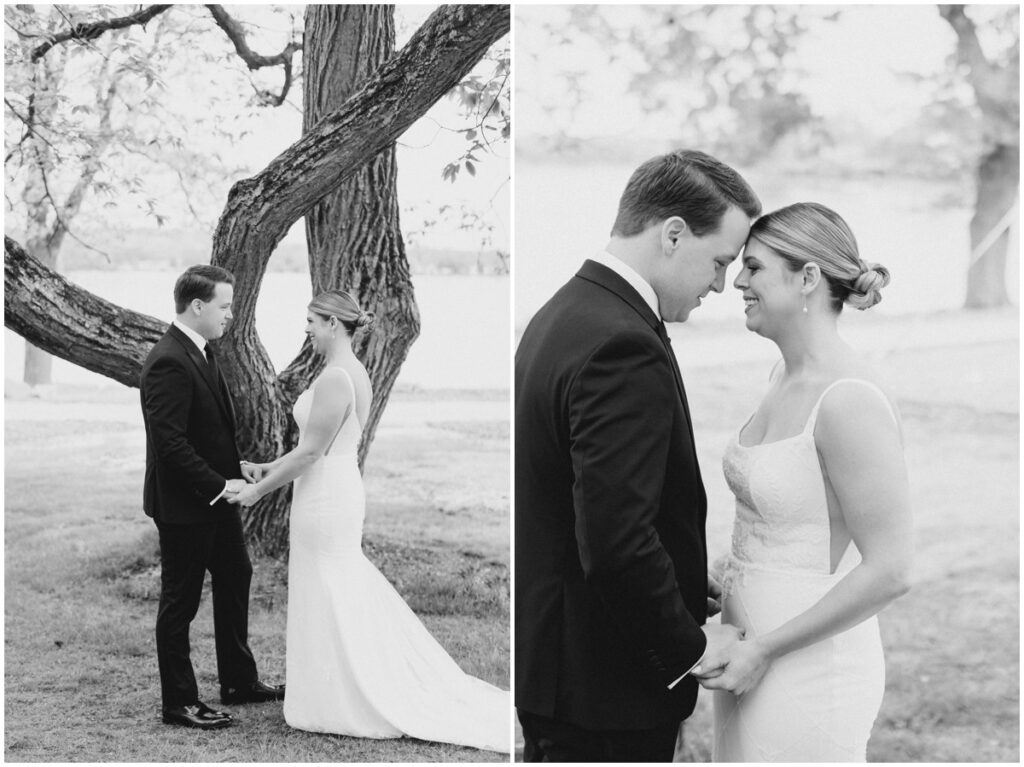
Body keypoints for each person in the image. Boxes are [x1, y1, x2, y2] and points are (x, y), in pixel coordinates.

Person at [514, 149, 761, 762]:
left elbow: (580, 503)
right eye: (720, 261)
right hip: (603, 693)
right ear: (673, 234)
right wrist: (693, 648)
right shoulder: (622, 343)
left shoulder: (563, 314)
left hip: (560, 672)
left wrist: (677, 573)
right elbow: (614, 536)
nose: (721, 284)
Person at [228, 290, 510, 753]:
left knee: (330, 582)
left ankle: (343, 695)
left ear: (334, 325)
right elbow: (315, 446)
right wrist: (269, 466)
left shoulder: (338, 377)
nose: (308, 330)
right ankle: (332, 688)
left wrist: (259, 490)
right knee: (333, 582)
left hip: (324, 493)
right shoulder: (351, 372)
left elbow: (315, 451)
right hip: (330, 483)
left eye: (313, 322)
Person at [696, 202, 914, 761]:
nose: (738, 281)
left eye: (755, 267)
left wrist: (765, 649)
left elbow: (891, 569)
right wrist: (726, 572)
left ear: (809, 278)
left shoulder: (848, 399)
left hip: (809, 665)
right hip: (748, 650)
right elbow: (790, 514)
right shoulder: (780, 376)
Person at [140, 265, 284, 730]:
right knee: (180, 601)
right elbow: (170, 444)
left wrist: (233, 468)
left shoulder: (201, 350)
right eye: (224, 306)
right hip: (186, 505)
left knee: (236, 573)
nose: (230, 315)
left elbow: (206, 430)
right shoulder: (168, 359)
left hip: (216, 497)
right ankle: (179, 702)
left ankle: (239, 681)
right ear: (197, 306)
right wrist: (220, 486)